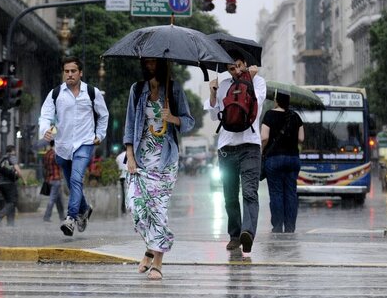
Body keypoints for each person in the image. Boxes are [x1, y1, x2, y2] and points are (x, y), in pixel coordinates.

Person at [124, 58, 195, 280]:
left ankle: (157, 262)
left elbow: (189, 121)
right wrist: (130, 156)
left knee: (158, 211)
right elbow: (129, 124)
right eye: (147, 62)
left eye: (154, 62)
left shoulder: (173, 89)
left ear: (162, 64)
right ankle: (149, 248)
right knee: (135, 207)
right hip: (141, 159)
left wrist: (172, 118)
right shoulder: (137, 89)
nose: (150, 65)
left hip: (165, 161)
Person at [204, 50, 266, 258]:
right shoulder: (222, 86)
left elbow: (257, 101)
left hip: (250, 145)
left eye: (239, 65)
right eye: (231, 68)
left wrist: (249, 77)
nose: (236, 70)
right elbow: (214, 116)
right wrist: (213, 94)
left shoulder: (258, 82)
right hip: (226, 147)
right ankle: (235, 234)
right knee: (230, 196)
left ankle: (248, 232)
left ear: (245, 64)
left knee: (249, 192)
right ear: (227, 70)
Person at [39, 56, 109, 236]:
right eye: (66, 71)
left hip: (85, 143)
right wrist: (45, 129)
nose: (69, 74)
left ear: (80, 73)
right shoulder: (55, 93)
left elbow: (103, 115)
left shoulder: (92, 93)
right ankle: (84, 210)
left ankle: (70, 218)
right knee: (72, 183)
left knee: (76, 179)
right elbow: (45, 115)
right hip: (62, 146)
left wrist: (99, 135)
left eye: (73, 71)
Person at [261, 91, 304, 233]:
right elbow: (301, 139)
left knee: (276, 193)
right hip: (292, 159)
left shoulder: (269, 115)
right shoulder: (295, 116)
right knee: (291, 193)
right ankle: (290, 227)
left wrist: (262, 151)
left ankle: (278, 226)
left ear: (276, 100)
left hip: (274, 159)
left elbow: (264, 137)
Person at [0, 145, 24, 227]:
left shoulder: (1, 159)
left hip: (1, 184)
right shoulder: (12, 157)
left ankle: (10, 223)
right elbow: (18, 170)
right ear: (13, 150)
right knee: (12, 202)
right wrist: (24, 180)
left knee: (9, 202)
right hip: (9, 183)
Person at [43, 140, 65, 222]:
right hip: (56, 179)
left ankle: (62, 217)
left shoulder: (47, 154)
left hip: (49, 179)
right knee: (52, 199)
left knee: (58, 200)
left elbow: (45, 167)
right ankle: (46, 216)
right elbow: (61, 165)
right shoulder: (56, 155)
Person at [115, 148, 127, 214]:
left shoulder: (118, 157)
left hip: (121, 177)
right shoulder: (129, 154)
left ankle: (123, 209)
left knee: (123, 193)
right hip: (128, 176)